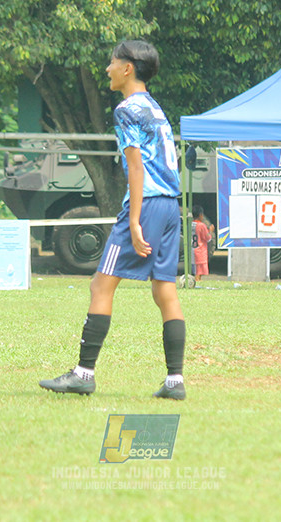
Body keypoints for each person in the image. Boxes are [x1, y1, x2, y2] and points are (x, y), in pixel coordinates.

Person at [40, 40, 186, 400]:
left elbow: (135, 169)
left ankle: (83, 374)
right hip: (170, 206)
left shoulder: (127, 110)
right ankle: (175, 382)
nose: (107, 68)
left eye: (112, 62)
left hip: (147, 204)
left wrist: (134, 220)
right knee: (164, 290)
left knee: (101, 286)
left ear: (128, 68)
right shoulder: (154, 108)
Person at [192, 204, 211, 281]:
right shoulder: (202, 225)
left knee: (194, 269)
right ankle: (197, 282)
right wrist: (210, 231)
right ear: (200, 215)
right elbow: (208, 238)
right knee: (199, 272)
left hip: (192, 249)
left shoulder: (190, 224)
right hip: (200, 251)